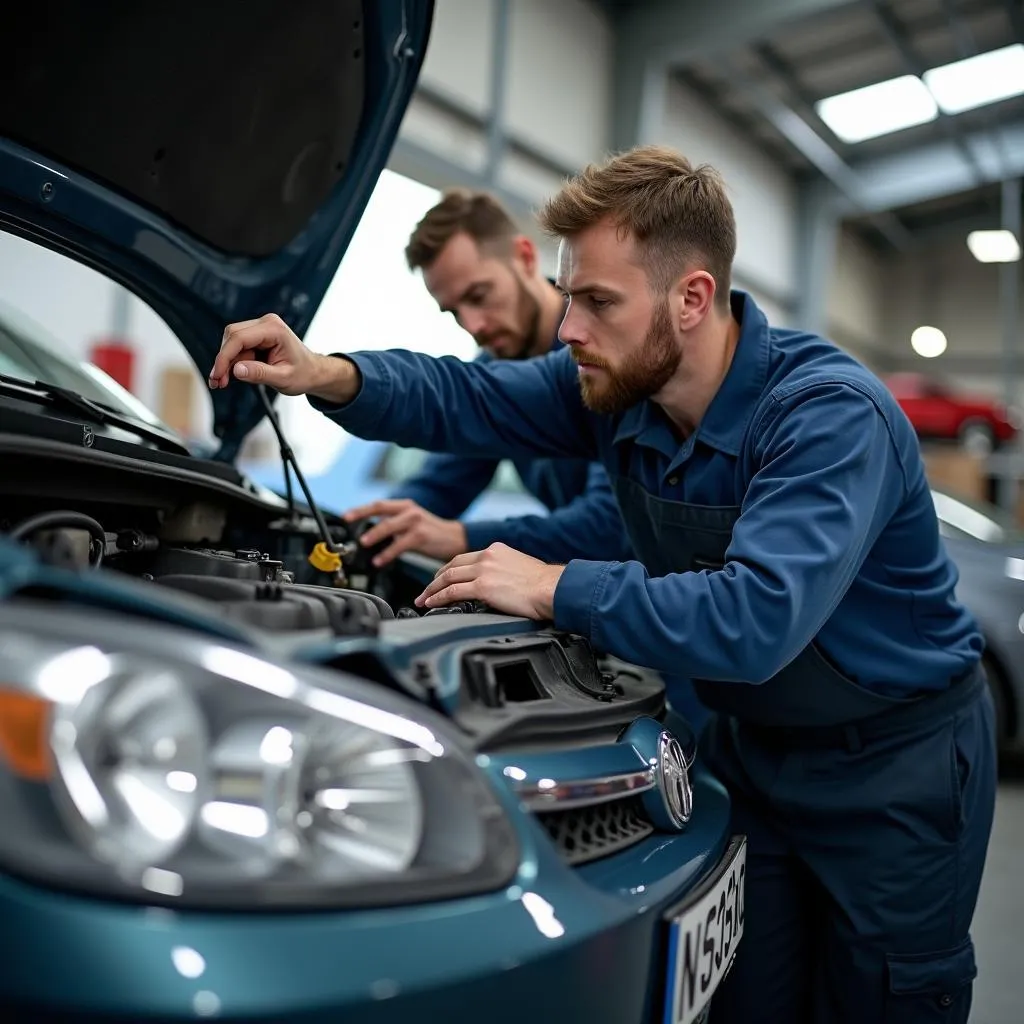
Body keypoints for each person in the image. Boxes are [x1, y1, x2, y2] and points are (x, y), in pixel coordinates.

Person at [209, 145, 997, 1023]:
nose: (569, 328)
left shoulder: (825, 416)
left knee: (879, 999)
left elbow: (754, 617)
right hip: (757, 747)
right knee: (749, 997)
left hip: (894, 768)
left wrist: (552, 586)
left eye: (598, 301)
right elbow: (468, 399)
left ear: (691, 298)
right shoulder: (620, 390)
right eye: (570, 294)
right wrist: (326, 372)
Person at [341, 187, 633, 569]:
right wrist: (367, 533)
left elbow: (609, 528)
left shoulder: (605, 355)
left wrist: (460, 538)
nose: (472, 326)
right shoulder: (494, 369)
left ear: (525, 257)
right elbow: (442, 483)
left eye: (478, 296)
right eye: (454, 313)